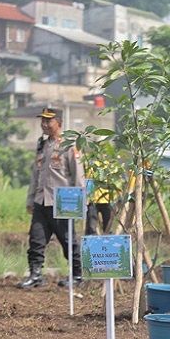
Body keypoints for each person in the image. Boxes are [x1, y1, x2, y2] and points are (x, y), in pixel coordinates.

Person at [18, 108, 85, 289]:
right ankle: (35, 275)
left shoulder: (69, 145)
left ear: (59, 123)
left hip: (63, 203)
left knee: (68, 240)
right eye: (43, 121)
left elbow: (78, 177)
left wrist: (79, 203)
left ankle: (77, 275)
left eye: (49, 121)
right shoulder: (42, 145)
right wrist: (30, 200)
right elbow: (35, 176)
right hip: (41, 201)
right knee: (36, 240)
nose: (44, 125)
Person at [84, 161, 113, 235]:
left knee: (107, 226)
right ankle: (90, 243)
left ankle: (108, 243)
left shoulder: (109, 166)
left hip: (106, 200)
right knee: (91, 226)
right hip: (93, 201)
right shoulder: (92, 166)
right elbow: (87, 181)